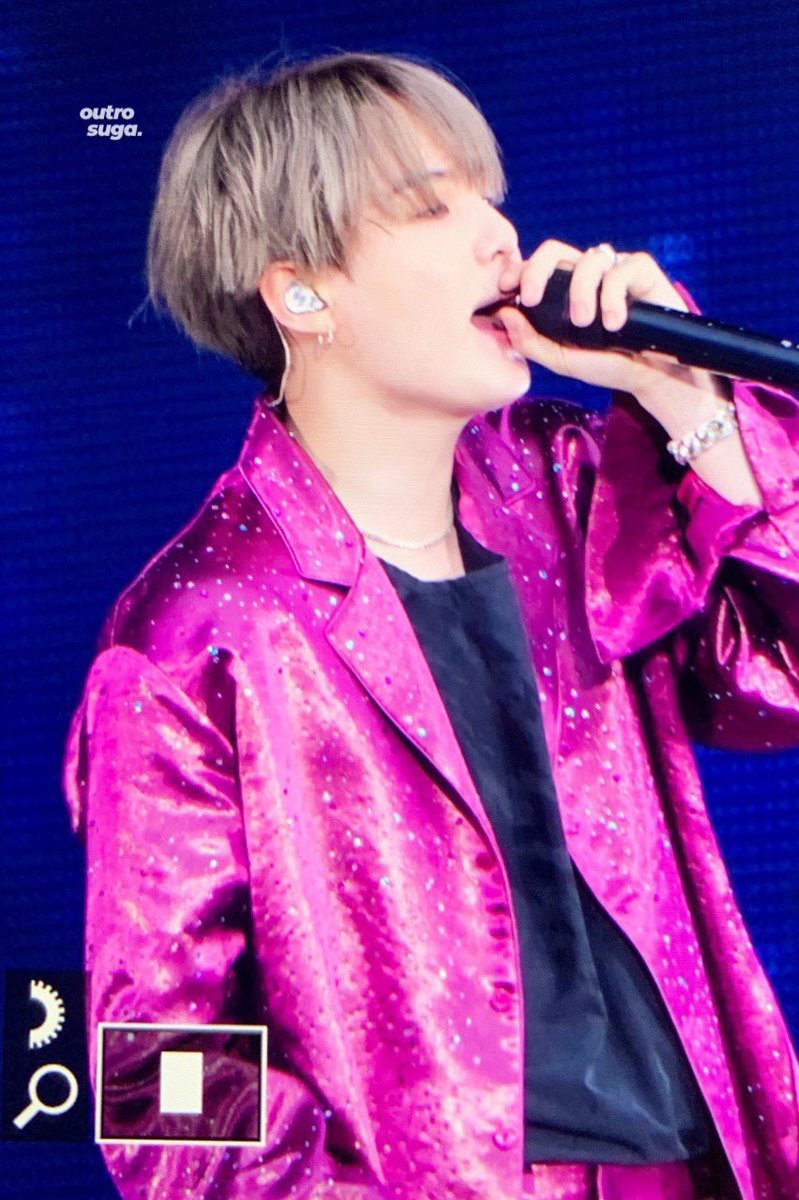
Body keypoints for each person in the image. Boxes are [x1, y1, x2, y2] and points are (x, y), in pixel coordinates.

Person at [62, 50, 799, 1200]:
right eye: (430, 205)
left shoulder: (575, 490)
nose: (499, 238)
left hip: (694, 1167)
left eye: (488, 197)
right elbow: (151, 1071)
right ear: (302, 293)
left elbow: (778, 679)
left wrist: (679, 395)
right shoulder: (192, 631)